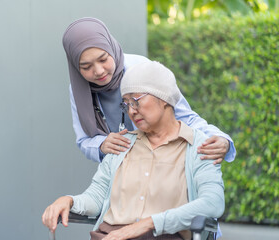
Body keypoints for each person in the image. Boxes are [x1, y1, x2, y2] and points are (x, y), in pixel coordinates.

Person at [42, 61, 225, 240]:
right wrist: (69, 201)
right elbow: (97, 197)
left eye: (135, 101)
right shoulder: (122, 144)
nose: (131, 111)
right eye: (126, 104)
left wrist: (146, 224)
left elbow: (212, 203)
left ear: (164, 99)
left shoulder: (198, 146)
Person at [62, 17, 236, 164]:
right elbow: (84, 140)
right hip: (122, 174)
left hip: (165, 166)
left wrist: (220, 139)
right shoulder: (78, 89)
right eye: (86, 66)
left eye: (103, 59)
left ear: (111, 49)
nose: (98, 71)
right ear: (76, 69)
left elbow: (184, 116)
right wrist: (101, 145)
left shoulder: (141, 68)